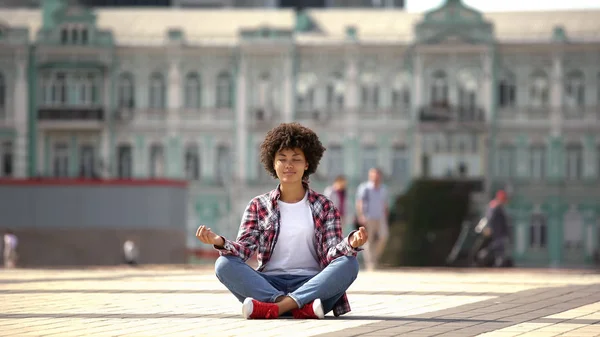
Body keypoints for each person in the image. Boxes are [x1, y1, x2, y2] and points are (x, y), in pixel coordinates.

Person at [195, 123, 368, 320]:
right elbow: (244, 250)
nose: (289, 165)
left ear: (307, 164)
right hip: (268, 283)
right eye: (282, 159)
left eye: (296, 159)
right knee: (223, 264)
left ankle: (275, 309)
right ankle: (298, 308)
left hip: (312, 284)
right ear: (273, 163)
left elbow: (331, 255)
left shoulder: (325, 206)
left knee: (349, 264)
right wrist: (219, 241)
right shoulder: (258, 205)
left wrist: (350, 243)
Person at [355, 168, 389, 271]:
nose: (376, 177)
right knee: (368, 241)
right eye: (373, 175)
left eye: (377, 175)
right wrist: (361, 215)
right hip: (368, 217)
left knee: (384, 237)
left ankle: (374, 257)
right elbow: (359, 202)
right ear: (370, 176)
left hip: (380, 217)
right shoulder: (364, 188)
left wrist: (386, 214)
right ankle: (371, 265)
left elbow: (385, 203)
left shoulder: (383, 188)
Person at [484, 190, 511, 267]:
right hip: (497, 232)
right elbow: (490, 218)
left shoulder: (497, 206)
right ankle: (484, 255)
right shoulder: (495, 206)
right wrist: (489, 227)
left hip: (499, 232)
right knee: (497, 247)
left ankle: (497, 263)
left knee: (499, 249)